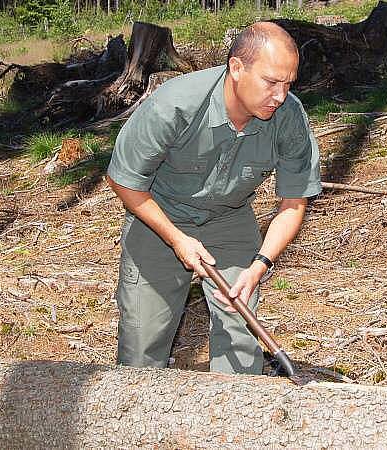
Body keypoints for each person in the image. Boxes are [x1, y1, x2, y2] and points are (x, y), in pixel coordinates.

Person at [106, 22, 321, 375]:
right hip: (159, 218)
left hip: (229, 219)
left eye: (288, 84)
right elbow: (124, 180)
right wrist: (177, 239)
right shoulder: (174, 106)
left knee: (240, 334)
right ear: (237, 68)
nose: (280, 96)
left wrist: (258, 267)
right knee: (142, 346)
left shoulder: (289, 116)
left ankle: (232, 418)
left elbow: (293, 203)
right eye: (271, 82)